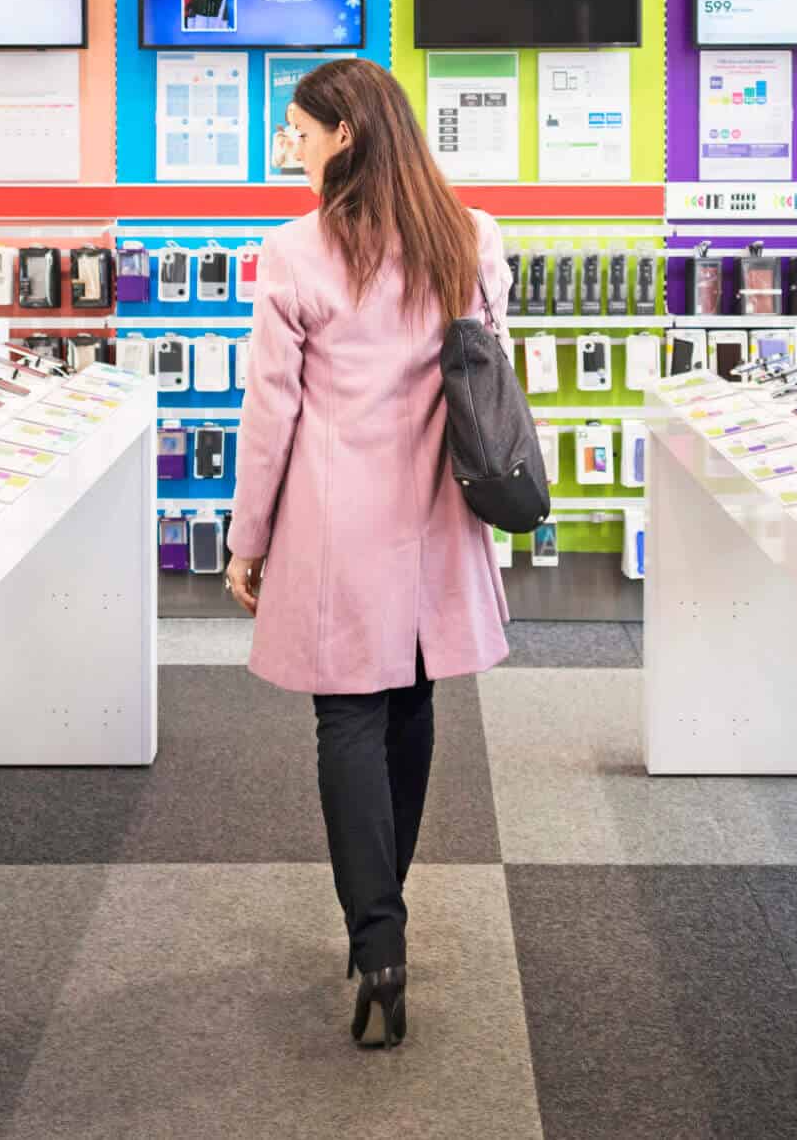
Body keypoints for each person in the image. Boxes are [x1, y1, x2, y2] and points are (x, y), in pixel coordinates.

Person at [224, 56, 511, 1051]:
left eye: (299, 132)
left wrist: (246, 537)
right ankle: (389, 909)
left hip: (334, 525)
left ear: (343, 135)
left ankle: (376, 939)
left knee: (346, 718)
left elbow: (272, 410)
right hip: (437, 515)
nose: (290, 147)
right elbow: (489, 375)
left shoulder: (295, 251)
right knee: (413, 701)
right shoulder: (468, 236)